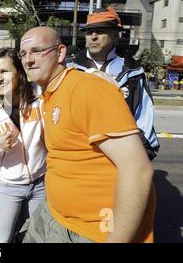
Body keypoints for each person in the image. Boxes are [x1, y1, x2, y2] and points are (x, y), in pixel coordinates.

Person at [20, 26, 155, 243]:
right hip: (54, 215)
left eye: (37, 50)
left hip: (91, 230)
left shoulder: (87, 89)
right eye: (23, 54)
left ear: (60, 53)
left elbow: (137, 170)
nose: (28, 60)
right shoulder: (51, 93)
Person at [69, 7, 159, 160]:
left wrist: (140, 156)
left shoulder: (133, 72)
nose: (93, 37)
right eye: (89, 32)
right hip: (77, 156)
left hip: (120, 156)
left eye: (101, 31)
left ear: (116, 36)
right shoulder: (69, 69)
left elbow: (143, 116)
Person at [0, 48, 46, 243]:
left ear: (20, 72)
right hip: (7, 187)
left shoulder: (39, 98)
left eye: (5, 71)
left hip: (41, 183)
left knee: (38, 237)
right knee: (1, 239)